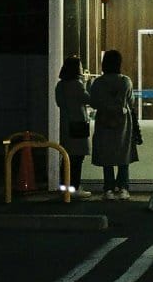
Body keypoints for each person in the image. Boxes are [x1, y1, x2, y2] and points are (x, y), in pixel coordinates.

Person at [89, 49, 138, 200]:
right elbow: (131, 102)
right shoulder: (125, 81)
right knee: (123, 153)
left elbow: (94, 103)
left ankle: (108, 189)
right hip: (122, 122)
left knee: (106, 154)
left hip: (104, 121)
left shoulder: (97, 82)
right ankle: (123, 188)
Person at [54, 55, 92, 198]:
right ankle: (74, 188)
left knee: (67, 157)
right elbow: (88, 99)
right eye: (80, 66)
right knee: (77, 157)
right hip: (78, 123)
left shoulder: (60, 85)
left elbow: (59, 103)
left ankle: (65, 187)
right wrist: (87, 83)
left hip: (66, 123)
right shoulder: (76, 84)